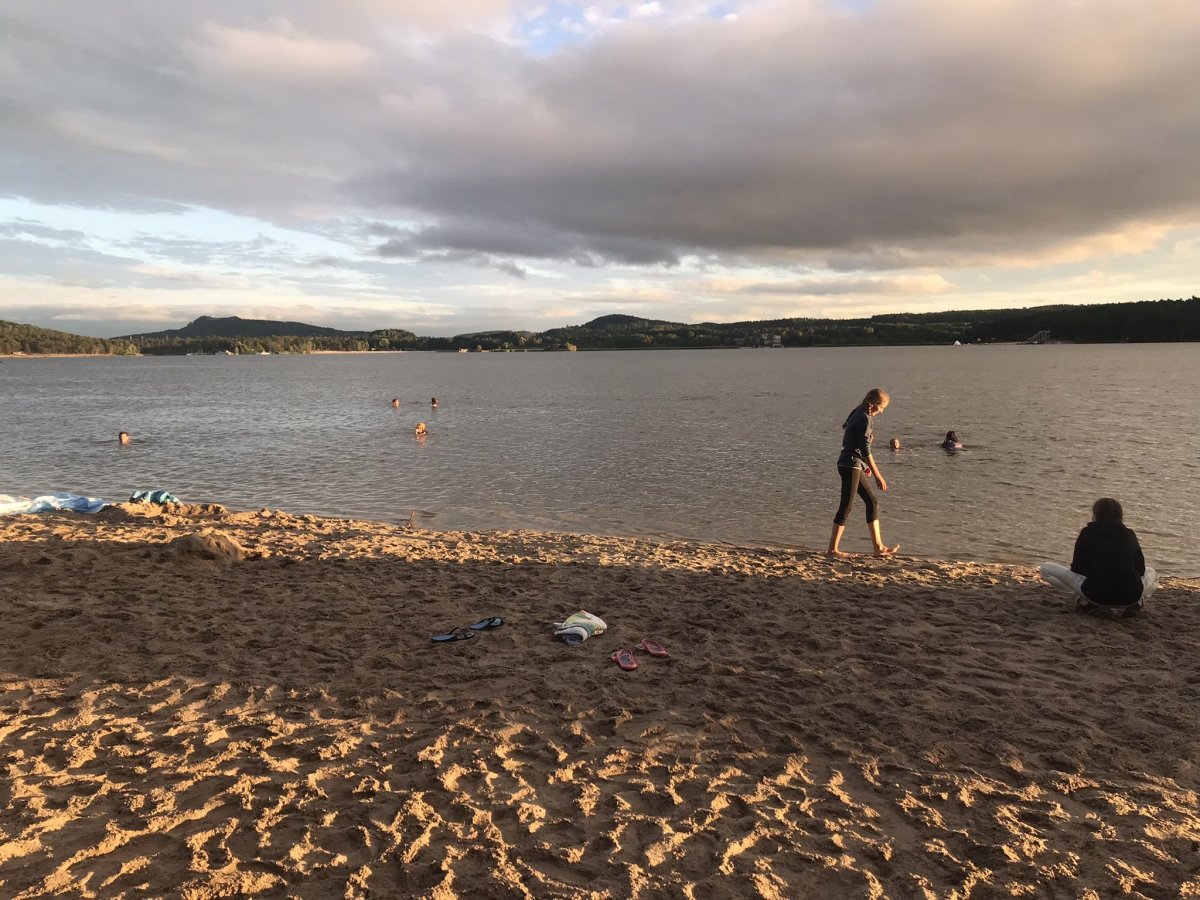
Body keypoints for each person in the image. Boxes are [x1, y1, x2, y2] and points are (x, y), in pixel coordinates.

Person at [1040, 498, 1157, 611]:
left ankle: (1083, 601)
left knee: (1045, 568)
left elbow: (1077, 568)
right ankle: (1138, 602)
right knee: (1152, 572)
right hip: (1131, 597)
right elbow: (1141, 569)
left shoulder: (1088, 532)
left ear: (1096, 514)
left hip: (1095, 595)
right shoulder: (1129, 534)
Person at [828, 388, 899, 557]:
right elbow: (865, 451)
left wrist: (864, 466)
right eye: (882, 407)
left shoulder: (858, 412)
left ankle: (878, 548)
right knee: (846, 506)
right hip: (850, 465)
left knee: (872, 502)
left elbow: (855, 445)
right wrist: (878, 475)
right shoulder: (864, 418)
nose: (881, 411)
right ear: (873, 404)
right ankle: (832, 550)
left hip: (852, 464)